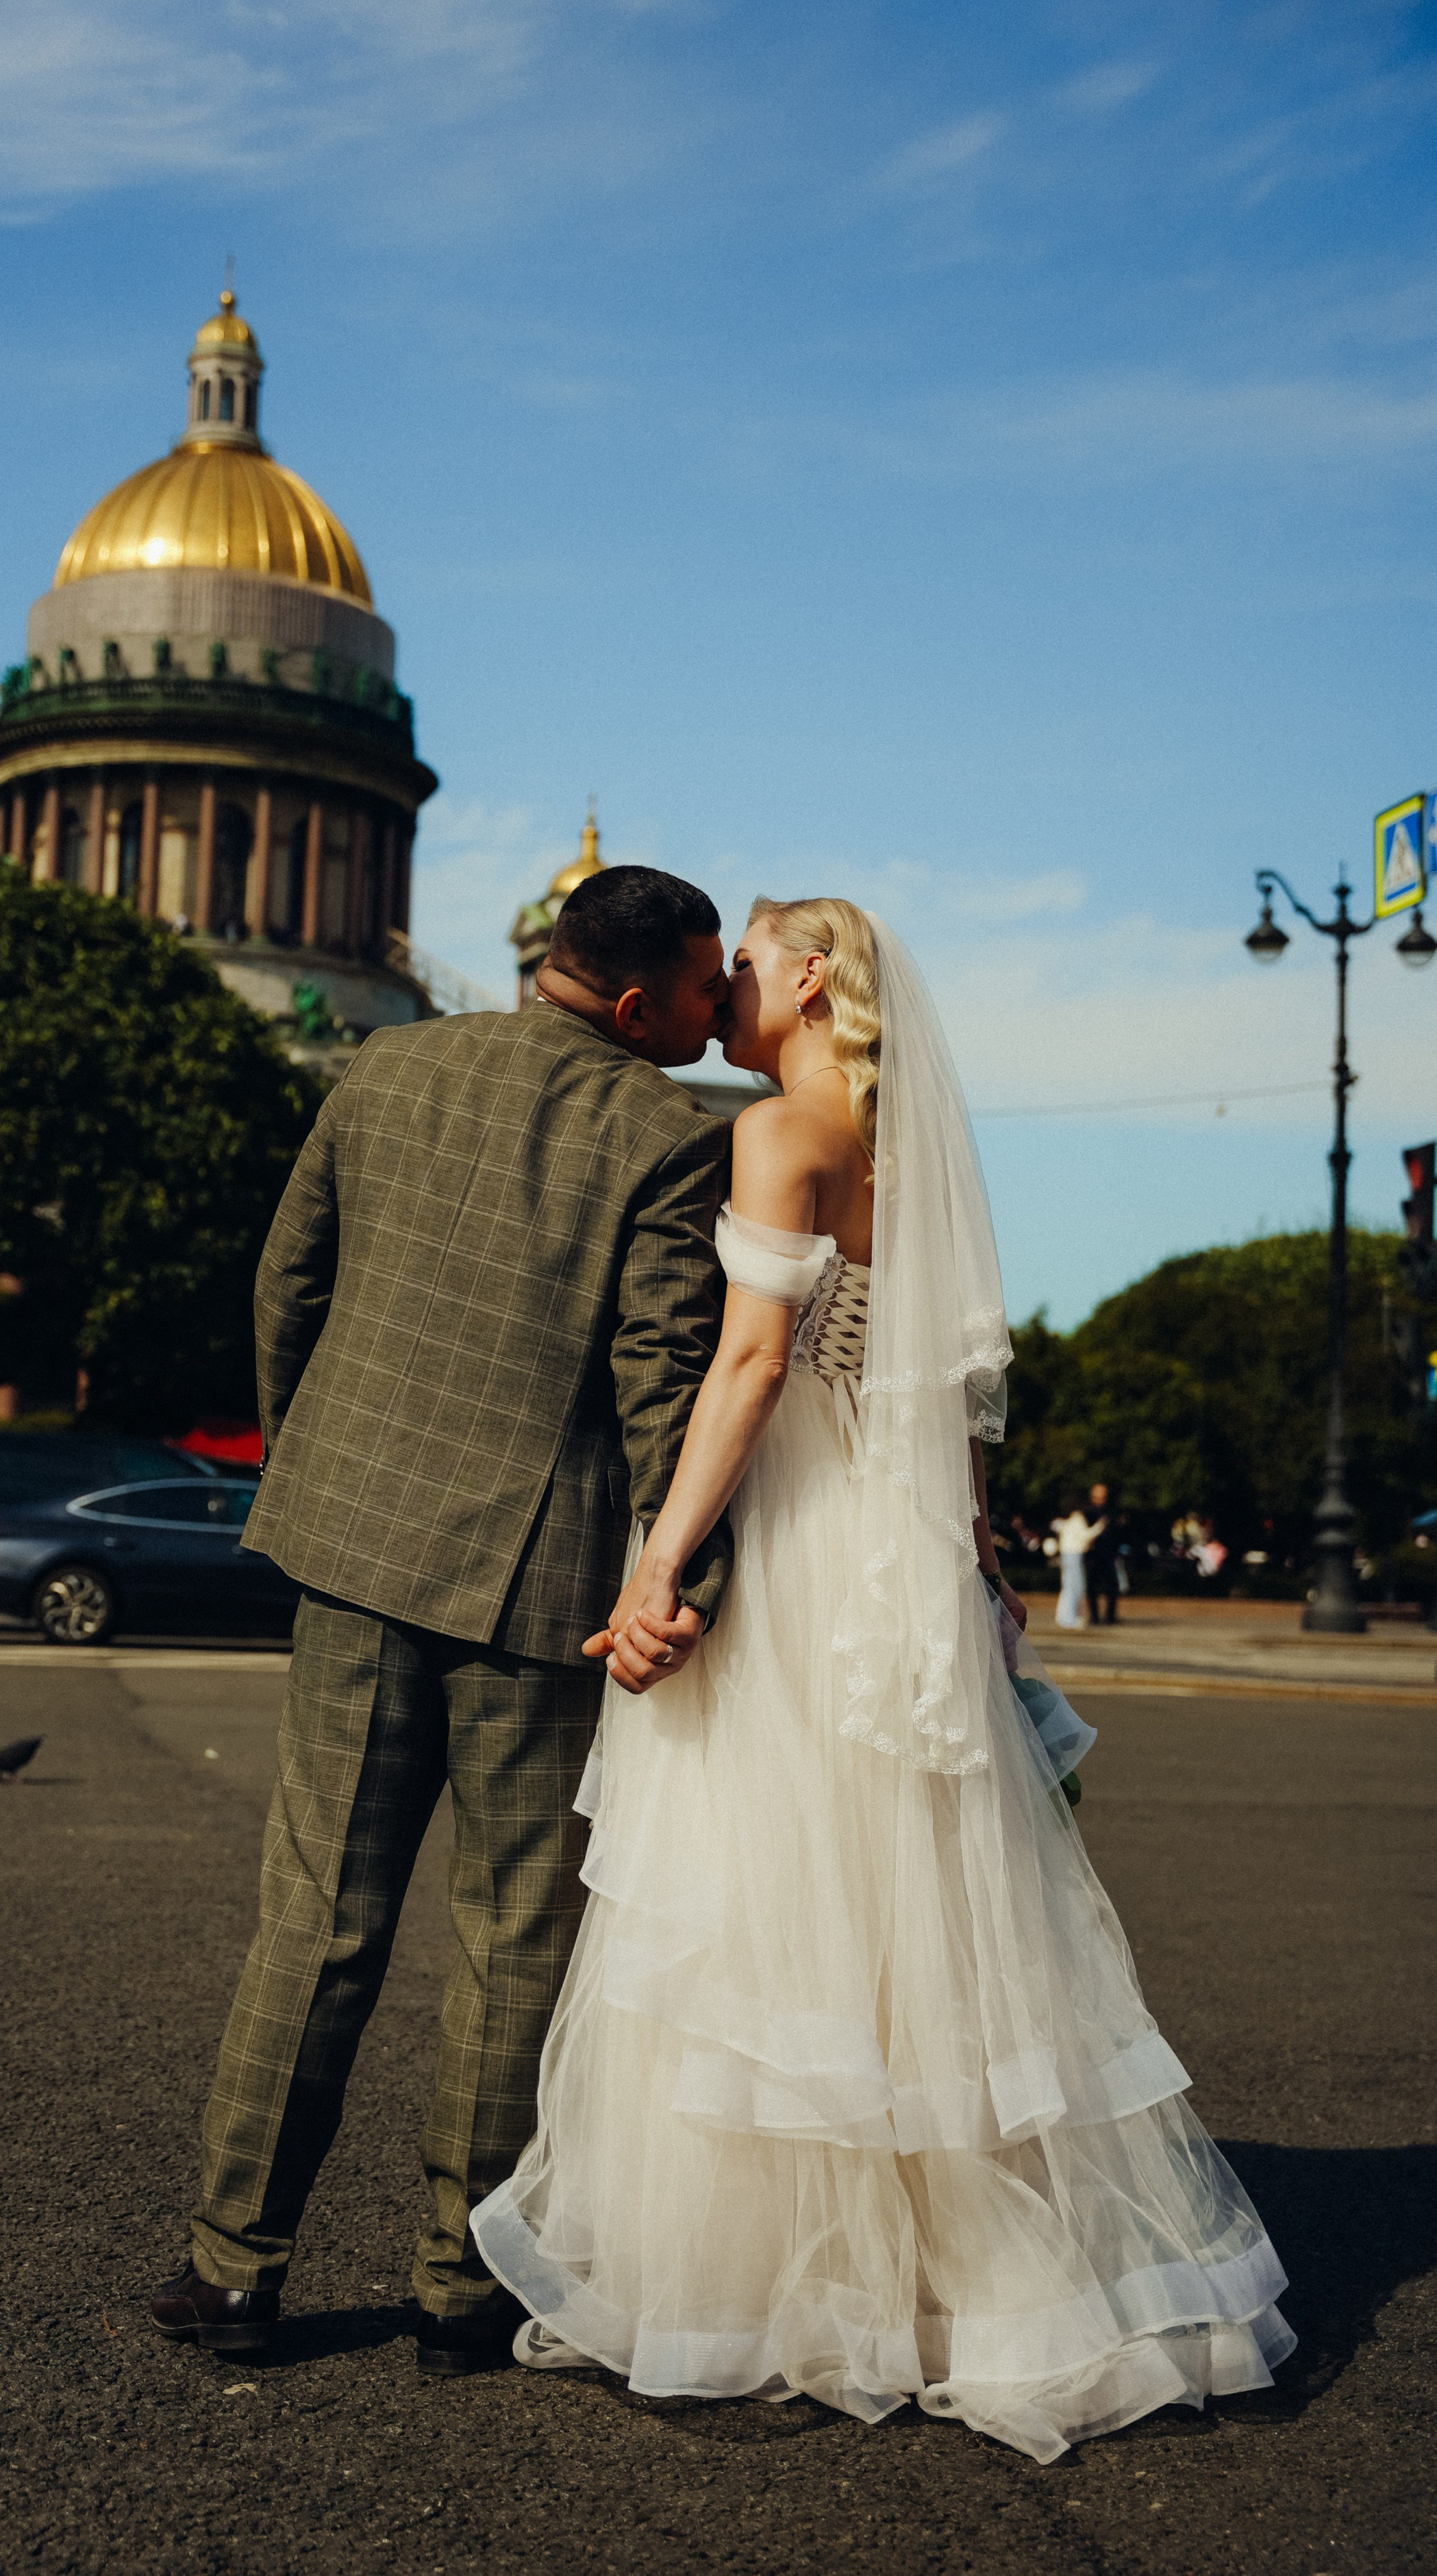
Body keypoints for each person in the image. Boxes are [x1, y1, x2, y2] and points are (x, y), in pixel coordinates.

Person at [472, 896, 1293, 2462]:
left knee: (769, 1893)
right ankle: (959, 2275)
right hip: (892, 1543)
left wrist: (661, 1557)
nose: (728, 984)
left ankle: (786, 2280)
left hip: (792, 1542)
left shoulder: (779, 1129)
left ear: (807, 984)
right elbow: (946, 1394)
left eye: (753, 958)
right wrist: (969, 1553)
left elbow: (748, 1364)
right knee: (912, 1902)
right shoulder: (911, 1153)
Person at [151, 866, 735, 2373]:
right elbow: (655, 1374)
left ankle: (231, 2270)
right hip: (537, 1594)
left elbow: (290, 1279)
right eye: (695, 986)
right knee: (510, 1943)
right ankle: (458, 2291)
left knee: (315, 1922)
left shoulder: (387, 1061)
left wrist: (318, 1466)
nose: (711, 1008)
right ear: (628, 1003)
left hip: (350, 1555)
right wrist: (675, 1576)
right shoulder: (670, 1138)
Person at [1049, 1498, 1092, 1628]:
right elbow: (1086, 1535)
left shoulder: (1066, 1521)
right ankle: (1069, 1618)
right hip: (1074, 1555)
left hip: (1068, 1555)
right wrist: (1100, 1526)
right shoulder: (1078, 1518)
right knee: (1075, 1587)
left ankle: (1065, 1617)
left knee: (1069, 1586)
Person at [1085, 1482, 1122, 1626]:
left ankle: (1110, 1616)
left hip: (1108, 1553)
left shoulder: (1111, 1512)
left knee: (1112, 1586)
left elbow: (1116, 1532)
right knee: (1092, 1587)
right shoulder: (1088, 1512)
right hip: (1094, 1554)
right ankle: (1094, 1616)